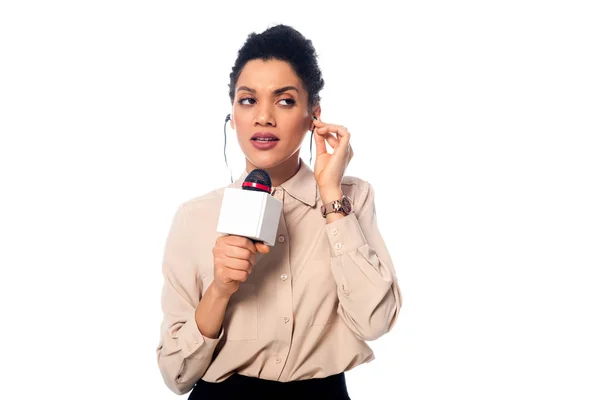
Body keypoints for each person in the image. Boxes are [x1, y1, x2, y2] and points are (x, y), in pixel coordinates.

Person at [156, 24, 402, 400]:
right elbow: (175, 374)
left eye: (285, 101)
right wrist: (220, 291)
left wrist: (331, 196)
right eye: (248, 100)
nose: (263, 117)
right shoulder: (195, 217)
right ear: (233, 114)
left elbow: (375, 322)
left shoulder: (352, 198)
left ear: (313, 115)